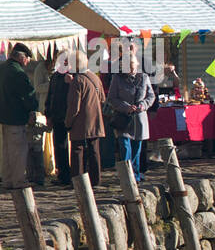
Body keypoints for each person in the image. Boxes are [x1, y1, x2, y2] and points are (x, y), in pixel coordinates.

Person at [106, 52, 155, 182]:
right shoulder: (117, 78)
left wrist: (143, 106)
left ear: (137, 64)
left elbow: (151, 96)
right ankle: (127, 175)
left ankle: (136, 175)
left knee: (137, 149)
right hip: (123, 119)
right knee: (125, 147)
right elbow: (112, 98)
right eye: (128, 65)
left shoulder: (144, 77)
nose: (131, 68)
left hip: (139, 118)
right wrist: (125, 107)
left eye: (133, 65)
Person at [0, 43, 36, 189]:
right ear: (22, 57)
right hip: (15, 116)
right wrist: (32, 109)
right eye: (27, 59)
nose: (28, 62)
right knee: (18, 151)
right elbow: (27, 94)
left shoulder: (1, 68)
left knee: (7, 151)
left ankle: (7, 180)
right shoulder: (17, 72)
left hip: (3, 115)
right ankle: (18, 180)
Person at [63, 50, 104, 185]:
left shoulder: (78, 81)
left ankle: (78, 181)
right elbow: (102, 99)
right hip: (96, 120)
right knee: (94, 151)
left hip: (81, 122)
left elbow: (74, 106)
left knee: (77, 152)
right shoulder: (95, 77)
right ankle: (96, 180)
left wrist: (68, 122)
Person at [45, 53, 74, 186]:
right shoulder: (55, 76)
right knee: (60, 146)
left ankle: (76, 174)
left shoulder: (74, 75)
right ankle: (63, 175)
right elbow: (50, 96)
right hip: (57, 116)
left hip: (71, 115)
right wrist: (48, 115)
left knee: (75, 146)